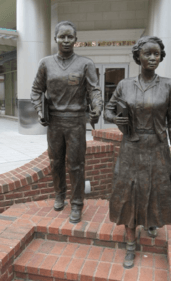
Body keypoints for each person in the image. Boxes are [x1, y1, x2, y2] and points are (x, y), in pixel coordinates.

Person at [104, 36, 171, 269]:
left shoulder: (170, 85)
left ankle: (151, 222)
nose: (152, 58)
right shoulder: (124, 85)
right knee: (129, 192)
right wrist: (114, 117)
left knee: (155, 189)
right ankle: (130, 244)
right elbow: (109, 110)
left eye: (156, 54)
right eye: (147, 53)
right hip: (131, 146)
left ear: (161, 57)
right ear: (138, 56)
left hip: (158, 148)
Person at [31, 21, 102, 223]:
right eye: (62, 36)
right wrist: (39, 109)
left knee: (76, 165)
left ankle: (77, 204)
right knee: (55, 162)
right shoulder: (46, 63)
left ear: (76, 40)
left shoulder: (85, 64)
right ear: (55, 39)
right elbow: (36, 90)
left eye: (70, 36)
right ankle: (59, 194)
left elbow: (94, 90)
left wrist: (97, 106)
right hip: (54, 122)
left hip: (76, 122)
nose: (66, 40)